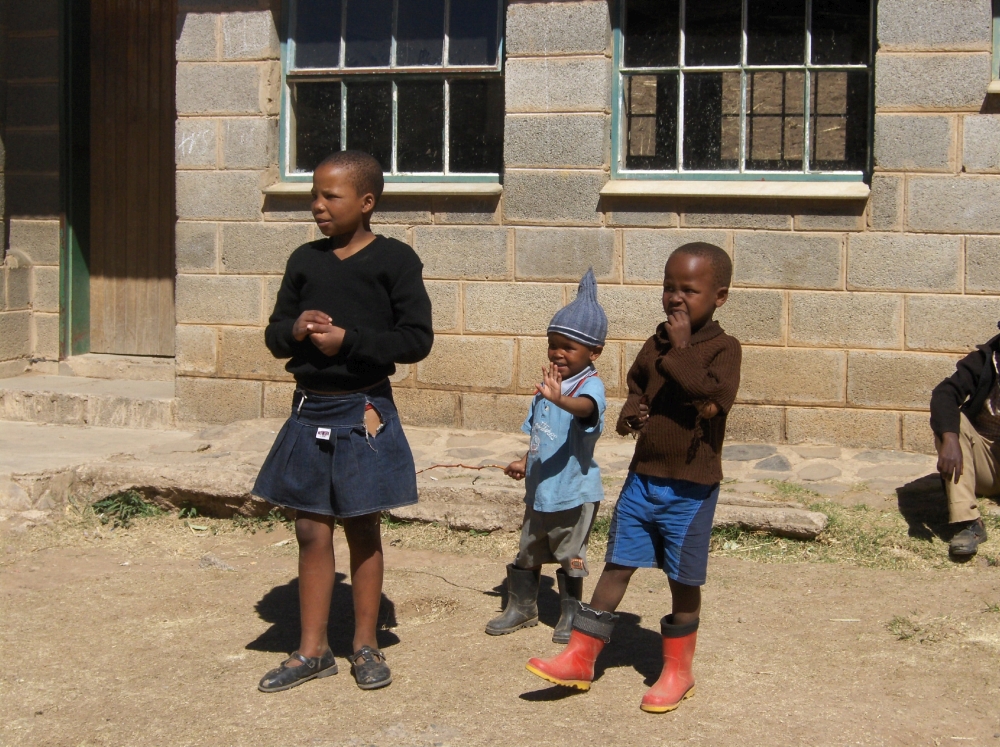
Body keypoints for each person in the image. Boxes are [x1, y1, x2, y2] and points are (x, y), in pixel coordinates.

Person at [525, 243, 741, 714]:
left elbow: (713, 399)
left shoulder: (724, 349)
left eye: (690, 290)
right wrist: (631, 410)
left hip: (690, 485)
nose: (676, 298)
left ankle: (678, 672)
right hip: (645, 478)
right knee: (618, 564)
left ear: (719, 296)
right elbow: (640, 381)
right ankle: (580, 656)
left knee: (682, 579)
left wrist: (682, 351)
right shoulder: (657, 340)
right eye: (669, 287)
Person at [252, 150, 433, 693]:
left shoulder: (395, 261)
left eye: (331, 196)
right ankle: (311, 651)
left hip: (364, 411)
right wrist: (297, 329)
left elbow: (416, 340)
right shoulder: (304, 260)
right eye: (315, 195)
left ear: (367, 202)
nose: (317, 206)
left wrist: (350, 340)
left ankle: (365, 644)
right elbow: (273, 332)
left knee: (362, 524)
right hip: (310, 409)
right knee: (310, 527)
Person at [486, 269, 608, 644]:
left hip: (573, 493)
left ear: (593, 351)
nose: (557, 352)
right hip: (540, 493)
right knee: (529, 551)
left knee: (570, 554)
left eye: (568, 346)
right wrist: (526, 460)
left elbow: (587, 411)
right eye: (552, 344)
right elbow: (540, 434)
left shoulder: (589, 387)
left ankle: (570, 614)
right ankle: (522, 606)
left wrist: (560, 399)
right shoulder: (545, 389)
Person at [931, 320, 1000, 557]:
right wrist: (949, 439)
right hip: (986, 465)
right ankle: (969, 523)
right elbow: (944, 393)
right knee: (952, 422)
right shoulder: (984, 361)